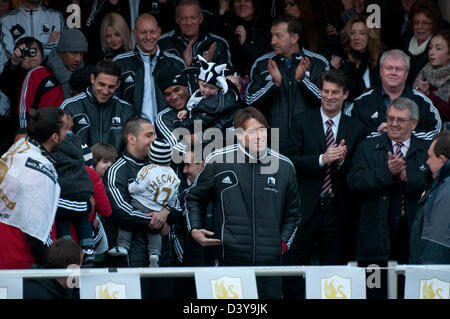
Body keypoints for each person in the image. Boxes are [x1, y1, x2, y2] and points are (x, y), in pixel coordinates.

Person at [186, 106, 302, 299]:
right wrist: (195, 229)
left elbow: (294, 213)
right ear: (239, 135)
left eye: (262, 130)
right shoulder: (219, 160)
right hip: (228, 262)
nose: (259, 136)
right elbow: (194, 198)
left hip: (270, 266)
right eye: (251, 131)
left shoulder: (284, 166)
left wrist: (281, 244)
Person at [284, 70, 365, 299]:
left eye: (335, 93)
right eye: (325, 91)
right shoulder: (302, 121)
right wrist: (323, 159)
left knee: (335, 270)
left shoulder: (356, 128)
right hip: (306, 208)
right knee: (295, 269)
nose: (329, 97)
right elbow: (290, 160)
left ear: (345, 94)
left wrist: (341, 161)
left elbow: (358, 171)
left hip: (339, 211)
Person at [347, 97, 430, 298]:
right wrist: (386, 172)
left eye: (400, 120)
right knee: (374, 292)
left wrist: (407, 177)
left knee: (409, 292)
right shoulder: (367, 147)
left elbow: (437, 185)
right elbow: (354, 182)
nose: (393, 124)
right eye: (390, 118)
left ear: (414, 123)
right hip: (374, 242)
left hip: (412, 238)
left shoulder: (427, 149)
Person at [245, 14, 329, 155]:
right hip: (272, 144)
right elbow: (249, 101)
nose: (272, 41)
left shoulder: (317, 63)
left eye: (278, 36)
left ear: (294, 38)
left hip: (308, 142)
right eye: (272, 36)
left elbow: (328, 101)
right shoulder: (262, 63)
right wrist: (274, 84)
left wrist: (302, 81)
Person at [0, 107, 68, 269]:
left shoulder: (20, 147)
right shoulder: (40, 171)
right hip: (18, 257)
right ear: (55, 137)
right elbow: (34, 231)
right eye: (66, 128)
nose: (68, 134)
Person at [108, 139, 180, 268]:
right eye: (148, 135)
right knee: (155, 231)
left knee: (127, 225)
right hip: (159, 208)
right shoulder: (174, 175)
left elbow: (138, 187)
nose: (151, 139)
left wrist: (130, 187)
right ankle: (155, 254)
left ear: (151, 157)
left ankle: (123, 246)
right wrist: (165, 213)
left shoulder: (147, 169)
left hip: (141, 204)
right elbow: (175, 199)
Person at [345, 49, 441, 140]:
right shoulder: (360, 103)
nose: (393, 73)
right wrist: (380, 135)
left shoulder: (423, 103)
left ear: (406, 73)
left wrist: (402, 133)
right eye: (389, 68)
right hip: (372, 157)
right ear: (381, 71)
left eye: (398, 69)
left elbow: (435, 134)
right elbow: (349, 134)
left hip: (410, 156)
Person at [113, 13, 186, 125]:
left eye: (152, 32)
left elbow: (190, 101)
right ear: (134, 34)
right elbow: (113, 102)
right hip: (134, 134)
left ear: (159, 32)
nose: (148, 37)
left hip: (170, 131)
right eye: (143, 32)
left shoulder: (175, 63)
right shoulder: (120, 63)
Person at [60, 59, 136, 154]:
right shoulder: (70, 106)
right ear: (92, 79)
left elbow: (133, 148)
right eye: (102, 84)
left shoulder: (127, 110)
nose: (105, 91)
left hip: (114, 166)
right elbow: (61, 144)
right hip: (82, 167)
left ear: (118, 85)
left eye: (111, 87)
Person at [51, 112, 95, 266]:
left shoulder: (56, 144)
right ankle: (89, 250)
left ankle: (69, 250)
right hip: (84, 188)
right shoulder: (79, 142)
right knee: (82, 219)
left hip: (66, 189)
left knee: (61, 217)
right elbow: (90, 168)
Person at [409, 130, 450, 264]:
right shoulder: (441, 186)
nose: (427, 162)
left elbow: (437, 243)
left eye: (430, 157)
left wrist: (425, 277)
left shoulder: (445, 192)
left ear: (442, 160)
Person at [158, 0, 232, 72]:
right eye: (183, 18)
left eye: (193, 17)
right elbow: (160, 79)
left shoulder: (219, 43)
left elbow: (228, 79)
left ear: (201, 18)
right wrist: (185, 65)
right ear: (177, 19)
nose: (189, 23)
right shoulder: (162, 43)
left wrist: (206, 67)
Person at [176, 55, 240, 137]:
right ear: (198, 81)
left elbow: (198, 122)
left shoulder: (216, 103)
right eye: (204, 86)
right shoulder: (198, 93)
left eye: (212, 88)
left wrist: (179, 125)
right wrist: (187, 111)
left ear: (220, 87)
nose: (207, 90)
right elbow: (196, 107)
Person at [330, 15, 384, 102]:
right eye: (352, 33)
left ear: (370, 36)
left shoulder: (380, 60)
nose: (356, 37)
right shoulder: (342, 60)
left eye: (362, 33)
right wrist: (334, 69)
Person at [214, 0, 271, 80]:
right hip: (228, 79)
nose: (242, 4)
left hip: (255, 81)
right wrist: (222, 10)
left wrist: (245, 43)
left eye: (247, 0)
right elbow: (214, 43)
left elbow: (264, 60)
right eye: (238, 0)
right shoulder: (226, 23)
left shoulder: (264, 28)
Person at [17, 37, 64, 128]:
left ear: (42, 53)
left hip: (57, 127)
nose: (30, 57)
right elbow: (24, 112)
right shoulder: (29, 74)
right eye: (25, 53)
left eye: (33, 51)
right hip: (41, 130)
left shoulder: (55, 69)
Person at [0, 0, 64, 57]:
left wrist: (24, 52)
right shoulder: (5, 20)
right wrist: (47, 46)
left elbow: (57, 52)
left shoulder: (56, 16)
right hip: (18, 70)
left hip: (49, 69)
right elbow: (10, 55)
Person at [400, 0, 443, 86]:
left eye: (425, 23)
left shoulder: (439, 47)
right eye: (416, 22)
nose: (420, 27)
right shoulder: (405, 40)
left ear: (433, 25)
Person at [415, 30, 450, 123]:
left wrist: (428, 95)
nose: (431, 52)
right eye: (430, 47)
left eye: (438, 48)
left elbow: (448, 113)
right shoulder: (423, 71)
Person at [46, 28, 89, 98]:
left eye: (81, 54)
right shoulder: (41, 75)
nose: (78, 59)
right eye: (73, 53)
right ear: (61, 52)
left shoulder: (87, 78)